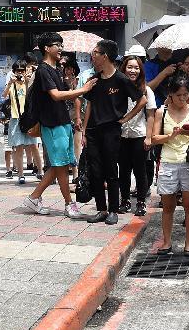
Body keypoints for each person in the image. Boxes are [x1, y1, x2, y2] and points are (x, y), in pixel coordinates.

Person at [23, 32, 96, 218]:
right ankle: (68, 204)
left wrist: (74, 86)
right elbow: (55, 95)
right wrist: (83, 89)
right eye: (57, 44)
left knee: (60, 165)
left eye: (61, 44)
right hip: (52, 124)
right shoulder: (43, 70)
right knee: (60, 165)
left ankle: (34, 197)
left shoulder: (55, 69)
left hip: (63, 122)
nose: (61, 48)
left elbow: (64, 95)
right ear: (47, 48)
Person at [81, 40, 146, 225]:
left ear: (105, 56)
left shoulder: (121, 79)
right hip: (93, 131)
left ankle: (113, 210)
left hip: (111, 130)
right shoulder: (93, 80)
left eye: (95, 53)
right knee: (95, 171)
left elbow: (141, 100)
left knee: (111, 169)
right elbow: (90, 106)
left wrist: (126, 118)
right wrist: (84, 131)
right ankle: (101, 209)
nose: (92, 57)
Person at [150, 75, 189, 255]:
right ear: (170, 95)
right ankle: (167, 242)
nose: (182, 99)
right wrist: (170, 136)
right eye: (179, 95)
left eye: (186, 94)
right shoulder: (161, 111)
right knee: (168, 206)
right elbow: (154, 138)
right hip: (168, 162)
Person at [118, 54, 156, 216]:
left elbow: (151, 115)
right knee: (123, 171)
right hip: (121, 136)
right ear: (124, 68)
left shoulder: (146, 90)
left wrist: (149, 137)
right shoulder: (117, 88)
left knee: (140, 171)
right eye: (130, 67)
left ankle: (141, 202)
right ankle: (125, 200)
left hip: (139, 135)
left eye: (136, 68)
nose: (133, 70)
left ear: (141, 70)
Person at [3, 60, 43, 185]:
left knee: (34, 146)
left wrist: (26, 80)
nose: (20, 73)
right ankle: (20, 174)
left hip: (29, 118)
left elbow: (33, 96)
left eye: (22, 70)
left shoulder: (29, 83)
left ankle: (40, 171)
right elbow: (4, 96)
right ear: (13, 72)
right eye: (17, 71)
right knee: (18, 147)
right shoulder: (12, 84)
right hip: (16, 118)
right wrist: (10, 82)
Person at [63, 59, 85, 183]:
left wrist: (73, 87)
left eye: (71, 68)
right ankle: (69, 171)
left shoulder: (78, 80)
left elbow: (78, 97)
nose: (68, 70)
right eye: (67, 68)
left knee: (77, 145)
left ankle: (76, 174)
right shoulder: (60, 81)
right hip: (64, 117)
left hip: (77, 117)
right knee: (66, 146)